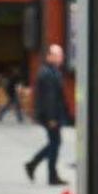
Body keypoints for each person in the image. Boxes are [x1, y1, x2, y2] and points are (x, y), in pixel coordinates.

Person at [24, 45, 71, 186]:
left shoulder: (51, 71)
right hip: (51, 116)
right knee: (55, 143)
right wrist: (51, 118)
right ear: (49, 56)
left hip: (52, 114)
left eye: (61, 55)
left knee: (54, 143)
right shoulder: (48, 73)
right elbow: (49, 98)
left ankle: (34, 165)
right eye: (57, 55)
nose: (60, 58)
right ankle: (49, 174)